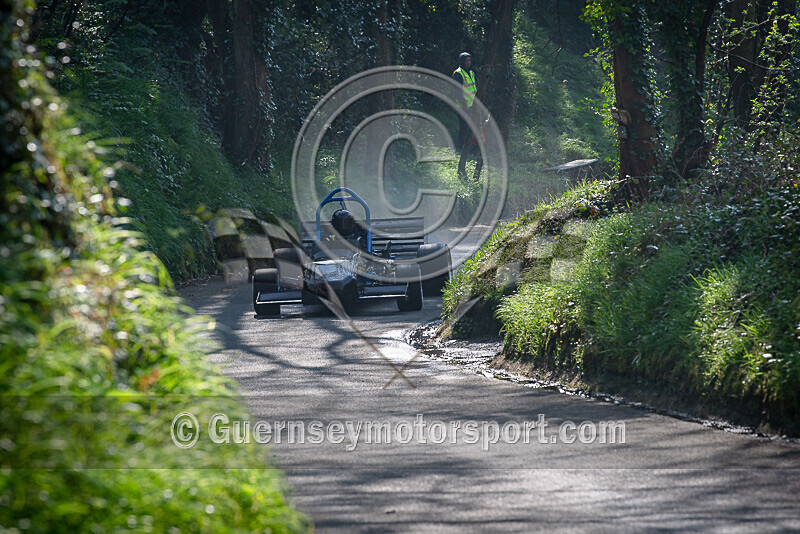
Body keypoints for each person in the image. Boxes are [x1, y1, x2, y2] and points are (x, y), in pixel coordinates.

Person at [452, 52, 482, 181]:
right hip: (463, 106)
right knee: (464, 128)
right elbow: (457, 91)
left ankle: (469, 149)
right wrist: (465, 105)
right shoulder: (458, 73)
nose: (468, 62)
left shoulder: (471, 72)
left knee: (470, 128)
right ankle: (462, 150)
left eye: (470, 60)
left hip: (472, 105)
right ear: (462, 61)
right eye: (466, 61)